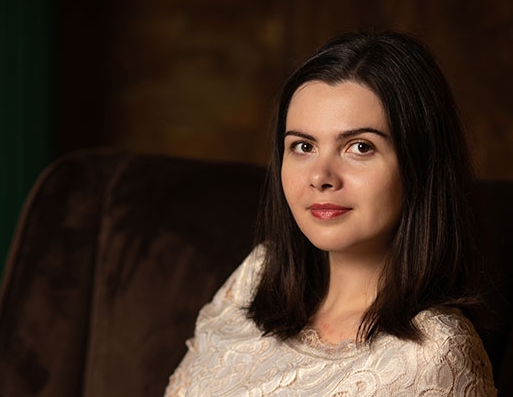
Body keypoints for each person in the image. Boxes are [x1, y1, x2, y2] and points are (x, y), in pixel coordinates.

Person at [164, 30, 497, 396]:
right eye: (303, 146)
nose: (320, 177)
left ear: (420, 165)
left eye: (359, 147)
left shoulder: (435, 358)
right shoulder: (258, 272)